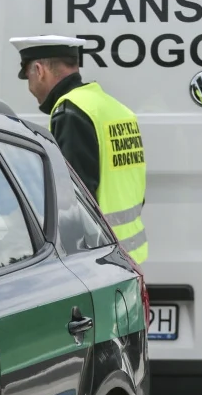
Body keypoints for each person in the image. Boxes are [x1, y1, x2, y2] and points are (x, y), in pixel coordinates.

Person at [10, 35, 148, 263]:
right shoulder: (115, 108)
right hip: (128, 253)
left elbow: (73, 198)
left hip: (97, 255)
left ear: (39, 70)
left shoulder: (71, 111)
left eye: (28, 77)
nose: (30, 87)